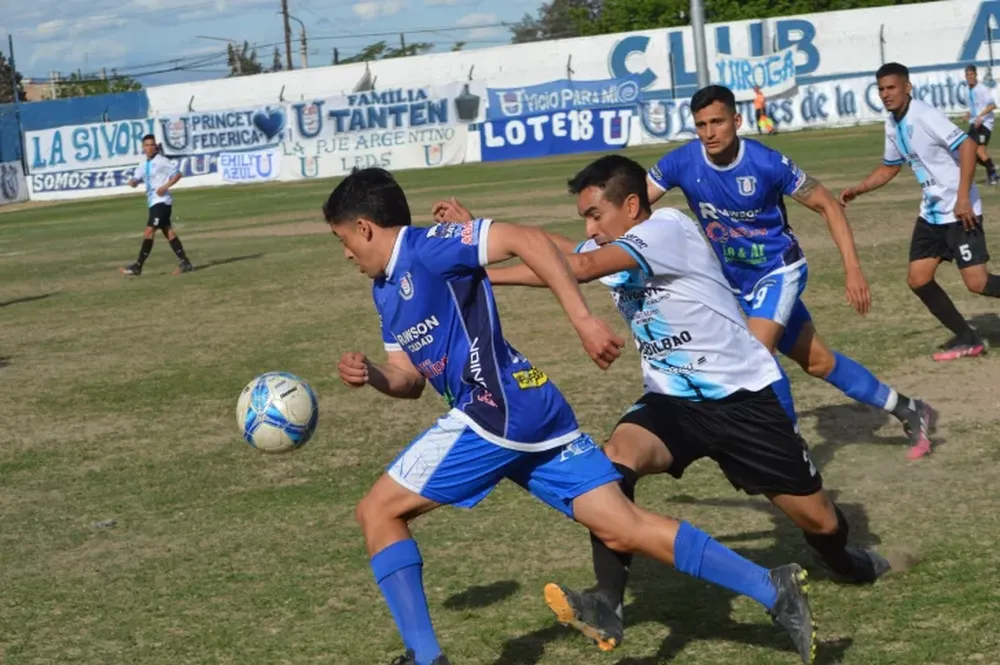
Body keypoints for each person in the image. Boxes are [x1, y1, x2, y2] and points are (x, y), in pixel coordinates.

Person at [331, 167, 817, 665]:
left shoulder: (427, 246)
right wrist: (374, 374)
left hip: (495, 411)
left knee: (377, 511)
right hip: (530, 411)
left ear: (364, 228)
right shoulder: (385, 291)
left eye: (343, 238)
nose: (346, 252)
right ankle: (770, 587)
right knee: (621, 526)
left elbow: (529, 240)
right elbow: (408, 379)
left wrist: (583, 320)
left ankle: (425, 657)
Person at [433, 155, 887, 656]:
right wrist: (477, 262)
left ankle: (846, 562)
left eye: (595, 214)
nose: (589, 227)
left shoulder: (667, 229)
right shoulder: (620, 241)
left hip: (742, 404)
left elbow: (577, 266)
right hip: (672, 403)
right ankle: (608, 602)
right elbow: (565, 252)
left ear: (632, 205)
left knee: (820, 522)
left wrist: (479, 249)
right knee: (607, 470)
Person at [644, 84, 935, 460]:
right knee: (819, 362)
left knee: (753, 354)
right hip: (735, 282)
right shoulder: (681, 162)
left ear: (736, 120)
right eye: (700, 124)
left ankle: (791, 450)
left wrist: (853, 270)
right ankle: (909, 408)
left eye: (717, 122)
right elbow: (634, 205)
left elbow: (828, 205)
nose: (709, 133)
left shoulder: (766, 162)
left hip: (779, 270)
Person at [841, 62, 1000, 361]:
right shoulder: (892, 122)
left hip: (960, 210)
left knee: (977, 283)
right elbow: (890, 167)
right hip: (932, 213)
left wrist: (963, 196)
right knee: (918, 278)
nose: (886, 94)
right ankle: (968, 338)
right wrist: (859, 189)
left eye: (891, 88)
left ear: (907, 87)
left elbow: (967, 146)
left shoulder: (924, 114)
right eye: (881, 89)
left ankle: (969, 337)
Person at [120, 134, 194, 276]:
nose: (149, 148)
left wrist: (165, 186)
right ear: (143, 147)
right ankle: (185, 262)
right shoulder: (142, 165)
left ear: (156, 147)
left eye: (152, 145)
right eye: (147, 145)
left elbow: (178, 174)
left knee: (149, 231)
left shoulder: (162, 161)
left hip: (162, 202)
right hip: (153, 202)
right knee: (168, 232)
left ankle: (138, 266)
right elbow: (136, 179)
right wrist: (133, 183)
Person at [962, 64, 998, 185]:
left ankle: (993, 176)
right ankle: (992, 169)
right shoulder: (967, 90)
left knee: (980, 152)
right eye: (967, 75)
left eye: (972, 74)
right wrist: (968, 114)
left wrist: (981, 116)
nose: (970, 77)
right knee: (970, 152)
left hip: (985, 123)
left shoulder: (982, 89)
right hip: (974, 123)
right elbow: (974, 108)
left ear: (976, 75)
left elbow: (993, 105)